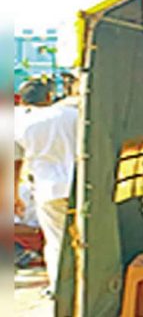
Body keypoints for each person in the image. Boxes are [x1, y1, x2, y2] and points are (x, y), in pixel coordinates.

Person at [14, 80, 79, 297]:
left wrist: (14, 194)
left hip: (47, 188)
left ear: (22, 101)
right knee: (86, 237)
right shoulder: (71, 115)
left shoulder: (21, 123)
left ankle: (60, 288)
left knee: (56, 241)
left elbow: (15, 161)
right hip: (79, 185)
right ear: (49, 97)